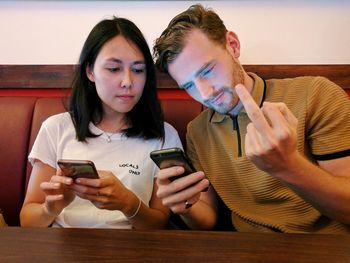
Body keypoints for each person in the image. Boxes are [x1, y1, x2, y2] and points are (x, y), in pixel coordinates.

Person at [153, 4, 350, 233]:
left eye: (207, 71)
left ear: (233, 46)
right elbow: (209, 220)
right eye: (188, 85)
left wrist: (288, 166)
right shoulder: (197, 131)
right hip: (247, 250)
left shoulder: (316, 94)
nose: (205, 93)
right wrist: (184, 205)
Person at [20, 16, 182, 229]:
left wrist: (128, 203)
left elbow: (159, 225)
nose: (128, 82)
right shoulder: (56, 128)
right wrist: (51, 208)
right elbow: (27, 221)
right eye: (114, 69)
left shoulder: (164, 136)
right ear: (90, 71)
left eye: (138, 69)